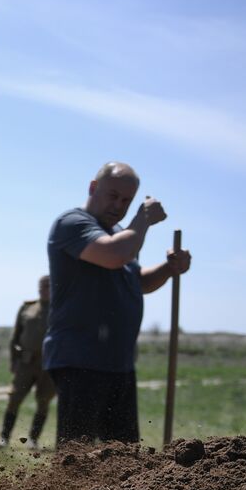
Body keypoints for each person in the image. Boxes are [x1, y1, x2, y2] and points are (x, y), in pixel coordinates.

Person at [44, 162, 191, 444]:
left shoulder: (123, 236)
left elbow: (138, 282)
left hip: (118, 361)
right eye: (112, 195)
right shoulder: (73, 224)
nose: (118, 205)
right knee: (78, 457)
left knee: (124, 458)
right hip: (80, 359)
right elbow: (113, 256)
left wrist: (169, 268)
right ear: (93, 187)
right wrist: (143, 220)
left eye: (126, 200)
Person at [0, 275, 54, 450]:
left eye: (46, 286)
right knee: (14, 398)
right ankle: (4, 437)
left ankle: (33, 439)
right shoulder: (27, 308)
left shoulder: (60, 309)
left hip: (49, 364)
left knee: (43, 401)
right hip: (26, 363)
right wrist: (14, 360)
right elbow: (15, 336)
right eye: (40, 286)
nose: (42, 289)